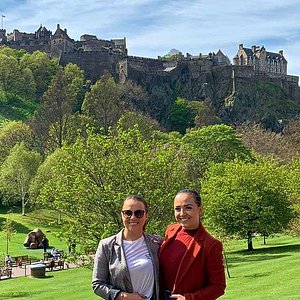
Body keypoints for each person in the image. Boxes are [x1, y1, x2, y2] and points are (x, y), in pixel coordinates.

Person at [159, 189, 226, 300]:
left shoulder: (211, 245)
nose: (182, 213)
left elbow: (218, 286)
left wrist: (190, 298)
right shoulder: (170, 230)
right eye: (177, 209)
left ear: (200, 210)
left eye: (188, 208)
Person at [92, 195, 163, 300]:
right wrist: (124, 297)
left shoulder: (157, 243)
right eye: (128, 213)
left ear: (146, 215)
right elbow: (98, 284)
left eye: (139, 213)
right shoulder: (106, 246)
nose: (133, 217)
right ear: (122, 215)